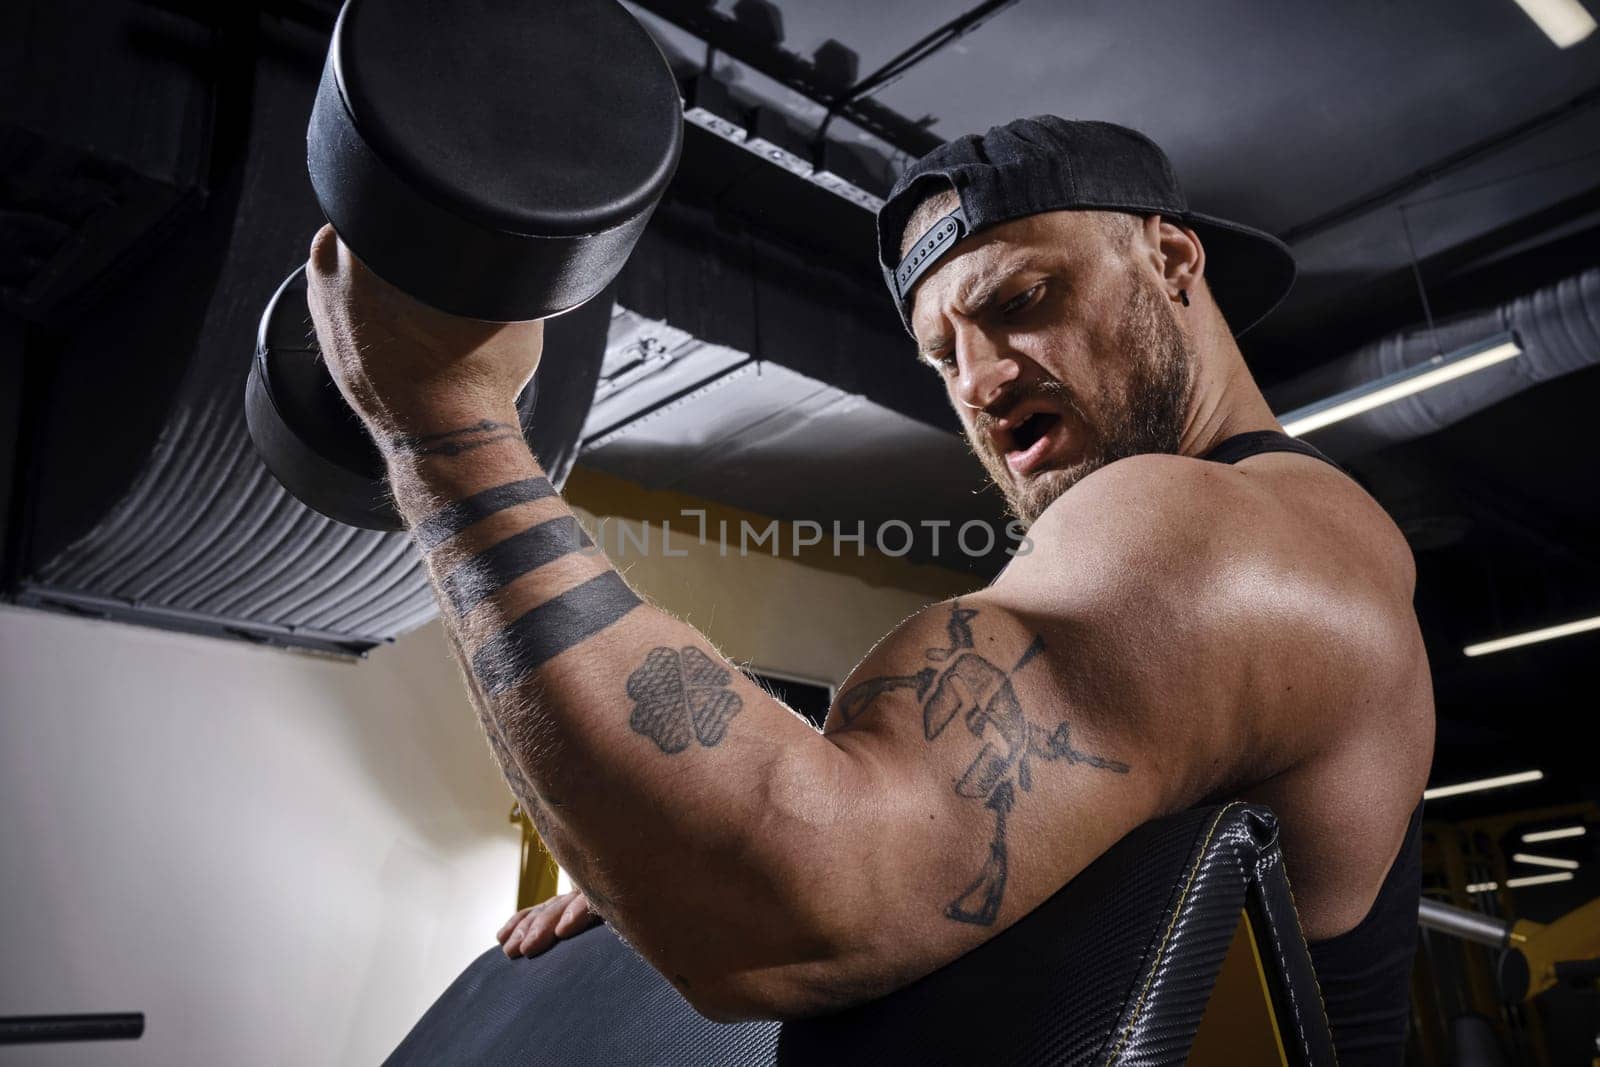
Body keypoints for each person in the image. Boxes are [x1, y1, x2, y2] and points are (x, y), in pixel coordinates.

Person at [308, 116, 1433, 1062]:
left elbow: (790, 890)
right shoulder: (1272, 539)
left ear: (1173, 262)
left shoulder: (1216, 533)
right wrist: (677, 833)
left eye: (1024, 297)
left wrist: (444, 420)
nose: (982, 380)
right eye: (943, 354)